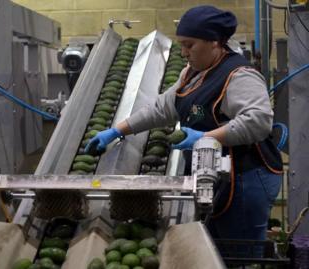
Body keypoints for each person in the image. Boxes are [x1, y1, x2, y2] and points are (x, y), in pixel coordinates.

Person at [86, 5, 283, 243]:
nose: (184, 52)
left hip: (246, 178)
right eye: (181, 45)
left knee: (237, 252)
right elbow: (162, 109)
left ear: (214, 42)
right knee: (214, 247)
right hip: (215, 175)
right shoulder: (192, 73)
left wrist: (204, 137)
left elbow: (258, 122)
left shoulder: (239, 75)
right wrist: (118, 130)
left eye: (190, 45)